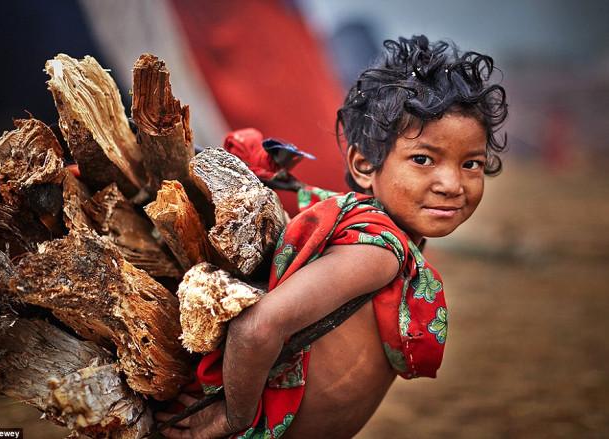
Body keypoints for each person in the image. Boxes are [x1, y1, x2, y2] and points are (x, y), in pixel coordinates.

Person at [156, 34, 508, 439]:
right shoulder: (379, 250)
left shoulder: (366, 233)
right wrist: (234, 417)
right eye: (423, 159)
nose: (451, 183)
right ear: (363, 165)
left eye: (471, 163)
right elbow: (257, 328)